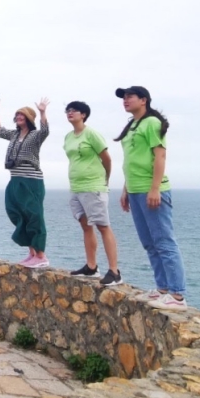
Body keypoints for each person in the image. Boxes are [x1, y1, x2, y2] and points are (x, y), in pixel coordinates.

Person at [115, 86, 187, 309]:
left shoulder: (152, 123)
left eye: (130, 97)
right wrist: (126, 189)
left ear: (143, 100)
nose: (125, 100)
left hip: (151, 190)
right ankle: (162, 288)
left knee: (164, 241)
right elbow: (133, 160)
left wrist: (155, 189)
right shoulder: (133, 125)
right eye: (123, 98)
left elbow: (160, 156)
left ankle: (177, 295)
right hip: (136, 190)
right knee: (149, 242)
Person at [63, 101, 122, 286]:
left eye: (74, 110)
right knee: (85, 226)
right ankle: (91, 267)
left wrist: (105, 180)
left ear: (84, 115)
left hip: (93, 186)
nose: (69, 113)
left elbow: (107, 159)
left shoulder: (92, 134)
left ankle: (114, 271)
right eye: (67, 110)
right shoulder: (68, 137)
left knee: (103, 226)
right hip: (76, 187)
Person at [0, 99, 51, 268]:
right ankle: (31, 252)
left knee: (34, 215)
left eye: (22, 115)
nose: (18, 117)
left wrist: (42, 112)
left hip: (31, 181)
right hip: (15, 180)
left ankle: (41, 256)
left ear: (28, 118)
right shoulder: (14, 135)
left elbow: (45, 130)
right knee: (17, 213)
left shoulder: (35, 136)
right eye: (17, 114)